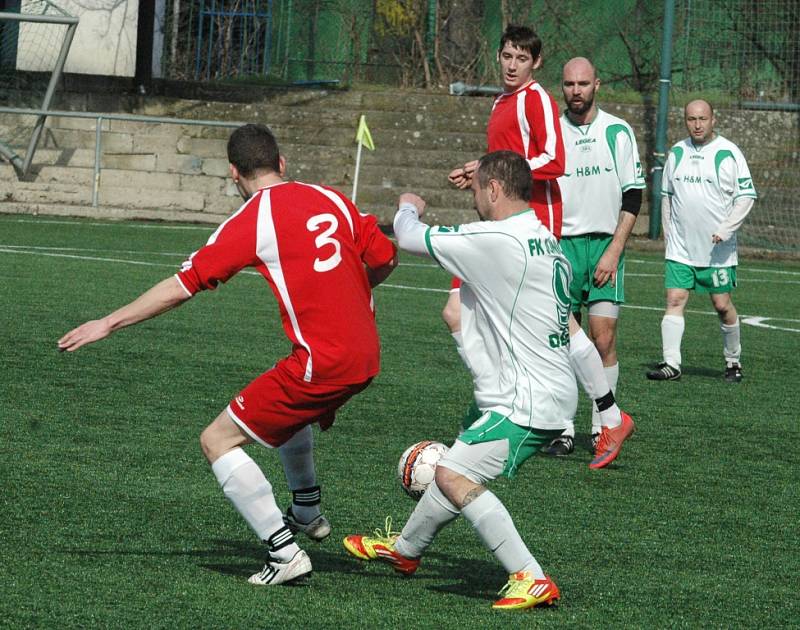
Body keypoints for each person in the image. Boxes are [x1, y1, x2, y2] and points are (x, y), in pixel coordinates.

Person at [58, 123, 398, 585]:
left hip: (326, 362)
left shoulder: (252, 221)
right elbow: (385, 257)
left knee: (217, 440)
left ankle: (284, 554)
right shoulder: (331, 197)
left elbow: (182, 287)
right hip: (367, 354)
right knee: (283, 406)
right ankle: (306, 509)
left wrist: (109, 321)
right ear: (282, 163)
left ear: (234, 174)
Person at [343, 152, 633, 611]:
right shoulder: (545, 240)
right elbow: (575, 338)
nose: (474, 197)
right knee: (455, 467)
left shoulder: (497, 237)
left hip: (528, 400)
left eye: (478, 189)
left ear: (494, 189)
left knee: (454, 474)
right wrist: (609, 410)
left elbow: (410, 237)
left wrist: (408, 206)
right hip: (540, 392)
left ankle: (531, 577)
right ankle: (405, 551)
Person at [447, 26, 631, 465]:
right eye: (507, 56)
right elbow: (506, 164)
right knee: (464, 312)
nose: (512, 65)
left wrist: (492, 168)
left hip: (533, 226)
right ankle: (498, 406)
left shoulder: (535, 100)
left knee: (555, 324)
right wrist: (480, 174)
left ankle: (601, 414)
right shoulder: (501, 101)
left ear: (536, 63)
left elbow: (554, 161)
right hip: (503, 228)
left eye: (521, 59)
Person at [542, 57, 645, 455]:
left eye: (583, 83)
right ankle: (562, 429)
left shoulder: (617, 131)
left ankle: (603, 428)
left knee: (603, 338)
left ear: (597, 85)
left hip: (605, 245)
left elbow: (633, 196)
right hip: (561, 246)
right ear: (562, 87)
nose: (576, 91)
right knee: (563, 340)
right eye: (569, 84)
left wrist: (615, 251)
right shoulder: (551, 132)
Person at [646, 99, 756, 382]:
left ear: (713, 120)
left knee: (721, 305)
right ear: (685, 121)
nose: (697, 124)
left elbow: (746, 196)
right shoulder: (677, 152)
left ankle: (733, 362)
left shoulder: (729, 153)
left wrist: (726, 229)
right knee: (675, 298)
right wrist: (670, 235)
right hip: (681, 247)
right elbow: (667, 196)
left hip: (716, 250)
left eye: (702, 119)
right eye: (691, 119)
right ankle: (671, 364)